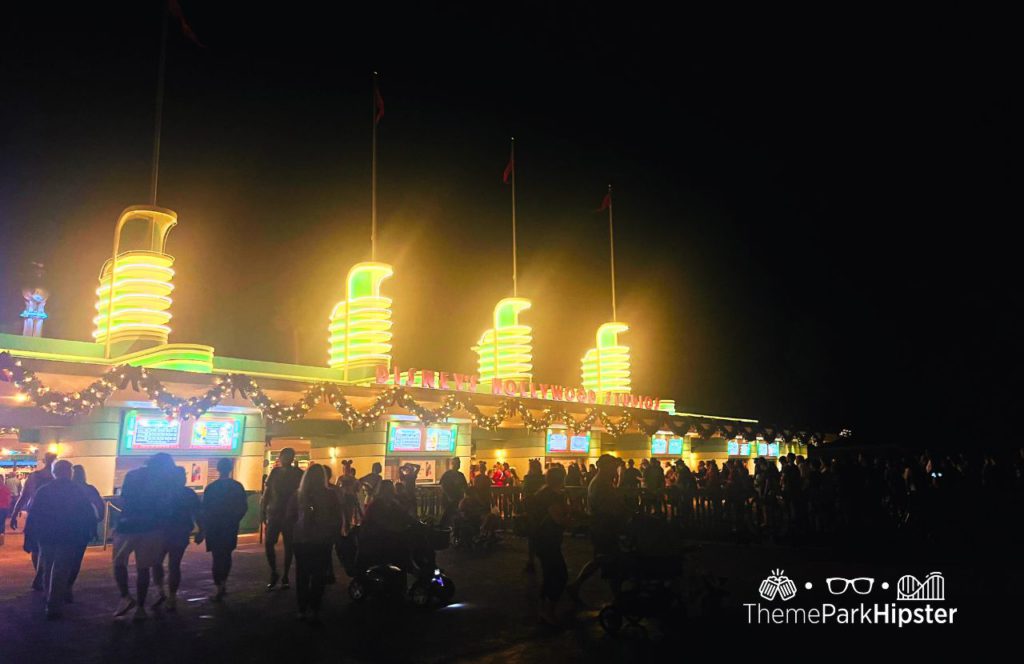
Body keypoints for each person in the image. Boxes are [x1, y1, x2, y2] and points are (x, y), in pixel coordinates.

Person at [24, 460, 101, 619]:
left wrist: (30, 536)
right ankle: (54, 604)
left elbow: (34, 514)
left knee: (47, 566)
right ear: (70, 472)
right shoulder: (78, 490)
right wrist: (90, 531)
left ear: (54, 472)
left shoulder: (44, 490)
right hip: (69, 536)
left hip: (47, 536)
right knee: (61, 569)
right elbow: (87, 514)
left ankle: (48, 597)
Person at [112, 452, 178, 621]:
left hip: (127, 525)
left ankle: (125, 596)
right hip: (152, 527)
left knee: (119, 563)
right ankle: (140, 607)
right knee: (144, 568)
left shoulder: (133, 475)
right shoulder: (164, 481)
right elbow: (166, 504)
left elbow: (123, 500)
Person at [566, 454, 625, 602]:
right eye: (613, 467)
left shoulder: (601, 482)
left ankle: (577, 586)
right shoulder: (600, 484)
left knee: (603, 560)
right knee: (608, 559)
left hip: (603, 527)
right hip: (603, 528)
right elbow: (607, 507)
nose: (615, 470)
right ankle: (617, 597)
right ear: (605, 467)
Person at [288, 463, 341, 622]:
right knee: (318, 575)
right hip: (322, 540)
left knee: (302, 574)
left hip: (302, 540)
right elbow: (337, 518)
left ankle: (302, 608)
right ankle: (315, 607)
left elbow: (289, 518)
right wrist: (334, 535)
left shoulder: (298, 495)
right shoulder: (330, 495)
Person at [197, 458, 248, 603]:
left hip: (214, 526)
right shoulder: (237, 486)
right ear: (231, 469)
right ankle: (223, 583)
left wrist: (203, 529)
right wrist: (235, 519)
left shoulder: (211, 488)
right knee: (226, 554)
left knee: (216, 556)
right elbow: (243, 507)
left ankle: (218, 585)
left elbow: (205, 509)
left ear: (218, 469)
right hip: (230, 525)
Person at [526, 463, 571, 625]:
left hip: (541, 539)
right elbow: (558, 518)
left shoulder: (543, 493)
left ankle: (543, 608)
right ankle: (548, 610)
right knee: (560, 575)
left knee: (548, 574)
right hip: (548, 540)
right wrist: (570, 520)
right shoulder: (551, 496)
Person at [151, 466, 199, 610]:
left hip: (162, 532)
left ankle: (161, 591)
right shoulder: (188, 494)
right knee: (174, 565)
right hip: (180, 532)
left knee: (157, 562)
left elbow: (155, 512)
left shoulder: (162, 493)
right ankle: (171, 596)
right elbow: (198, 512)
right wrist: (201, 530)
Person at [10, 452, 57, 589]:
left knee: (36, 548)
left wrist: (14, 514)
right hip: (53, 517)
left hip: (36, 516)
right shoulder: (57, 480)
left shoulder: (35, 477)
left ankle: (40, 574)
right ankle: (44, 575)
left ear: (44, 460)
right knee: (50, 547)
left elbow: (24, 496)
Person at [261, 447, 303, 590]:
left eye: (288, 456)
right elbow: (267, 493)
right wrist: (263, 510)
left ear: (292, 458)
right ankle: (274, 571)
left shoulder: (298, 474)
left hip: (290, 515)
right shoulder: (275, 472)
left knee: (289, 546)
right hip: (275, 513)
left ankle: (284, 575)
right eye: (283, 456)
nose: (285, 459)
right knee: (268, 543)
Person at [67, 465, 104, 598]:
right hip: (83, 528)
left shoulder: (67, 489)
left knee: (63, 559)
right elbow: (100, 507)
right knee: (76, 559)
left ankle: (58, 586)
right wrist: (97, 521)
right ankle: (68, 586)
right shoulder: (89, 489)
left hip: (66, 528)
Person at [520, 458, 545, 572]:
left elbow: (525, 493)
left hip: (532, 510)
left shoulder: (528, 479)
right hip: (541, 510)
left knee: (533, 536)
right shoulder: (542, 479)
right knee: (539, 535)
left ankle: (531, 561)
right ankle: (539, 559)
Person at [439, 457, 468, 527]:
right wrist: (449, 496)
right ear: (453, 464)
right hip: (448, 500)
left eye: (459, 463)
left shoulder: (461, 475)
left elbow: (465, 487)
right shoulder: (447, 474)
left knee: (456, 518)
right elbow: (443, 486)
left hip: (458, 500)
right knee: (447, 517)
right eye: (458, 463)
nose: (459, 464)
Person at [0, 477, 11, 546]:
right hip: (4, 508)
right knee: (2, 523)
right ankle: (1, 540)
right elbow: (9, 499)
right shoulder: (6, 488)